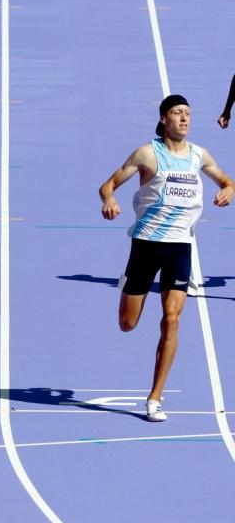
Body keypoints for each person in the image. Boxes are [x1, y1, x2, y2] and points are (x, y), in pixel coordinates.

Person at [99, 95, 234, 422]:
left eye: (188, 113)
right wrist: (110, 200)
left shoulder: (199, 156)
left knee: (172, 319)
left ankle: (155, 398)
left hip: (179, 248)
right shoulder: (148, 153)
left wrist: (228, 190)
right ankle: (128, 291)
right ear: (163, 119)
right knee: (127, 324)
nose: (184, 119)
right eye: (177, 113)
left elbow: (228, 181)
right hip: (146, 245)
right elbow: (108, 184)